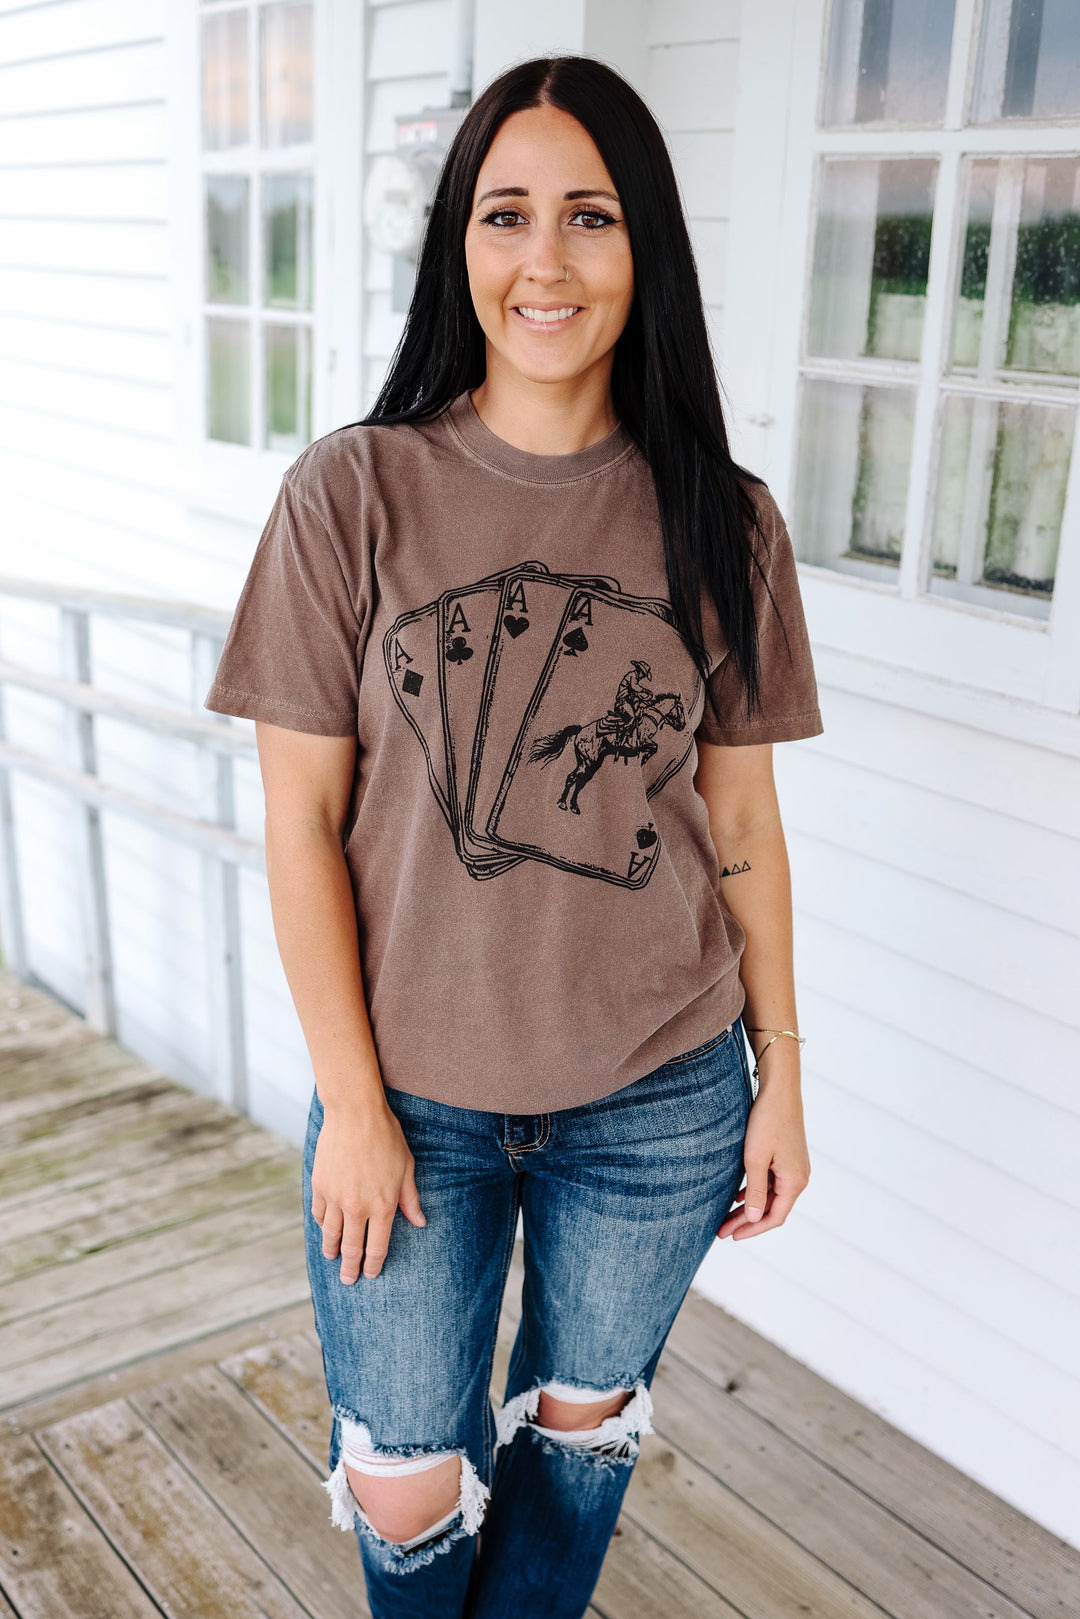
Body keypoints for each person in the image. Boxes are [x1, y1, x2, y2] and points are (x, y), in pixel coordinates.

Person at [204, 53, 822, 1619]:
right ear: (459, 245)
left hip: (661, 1097)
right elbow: (302, 825)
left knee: (575, 1442)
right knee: (403, 1477)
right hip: (409, 1101)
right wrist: (352, 1104)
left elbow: (741, 823)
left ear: (644, 245)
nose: (546, 260)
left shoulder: (726, 519)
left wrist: (785, 1073)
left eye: (591, 216)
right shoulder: (351, 494)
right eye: (507, 215)